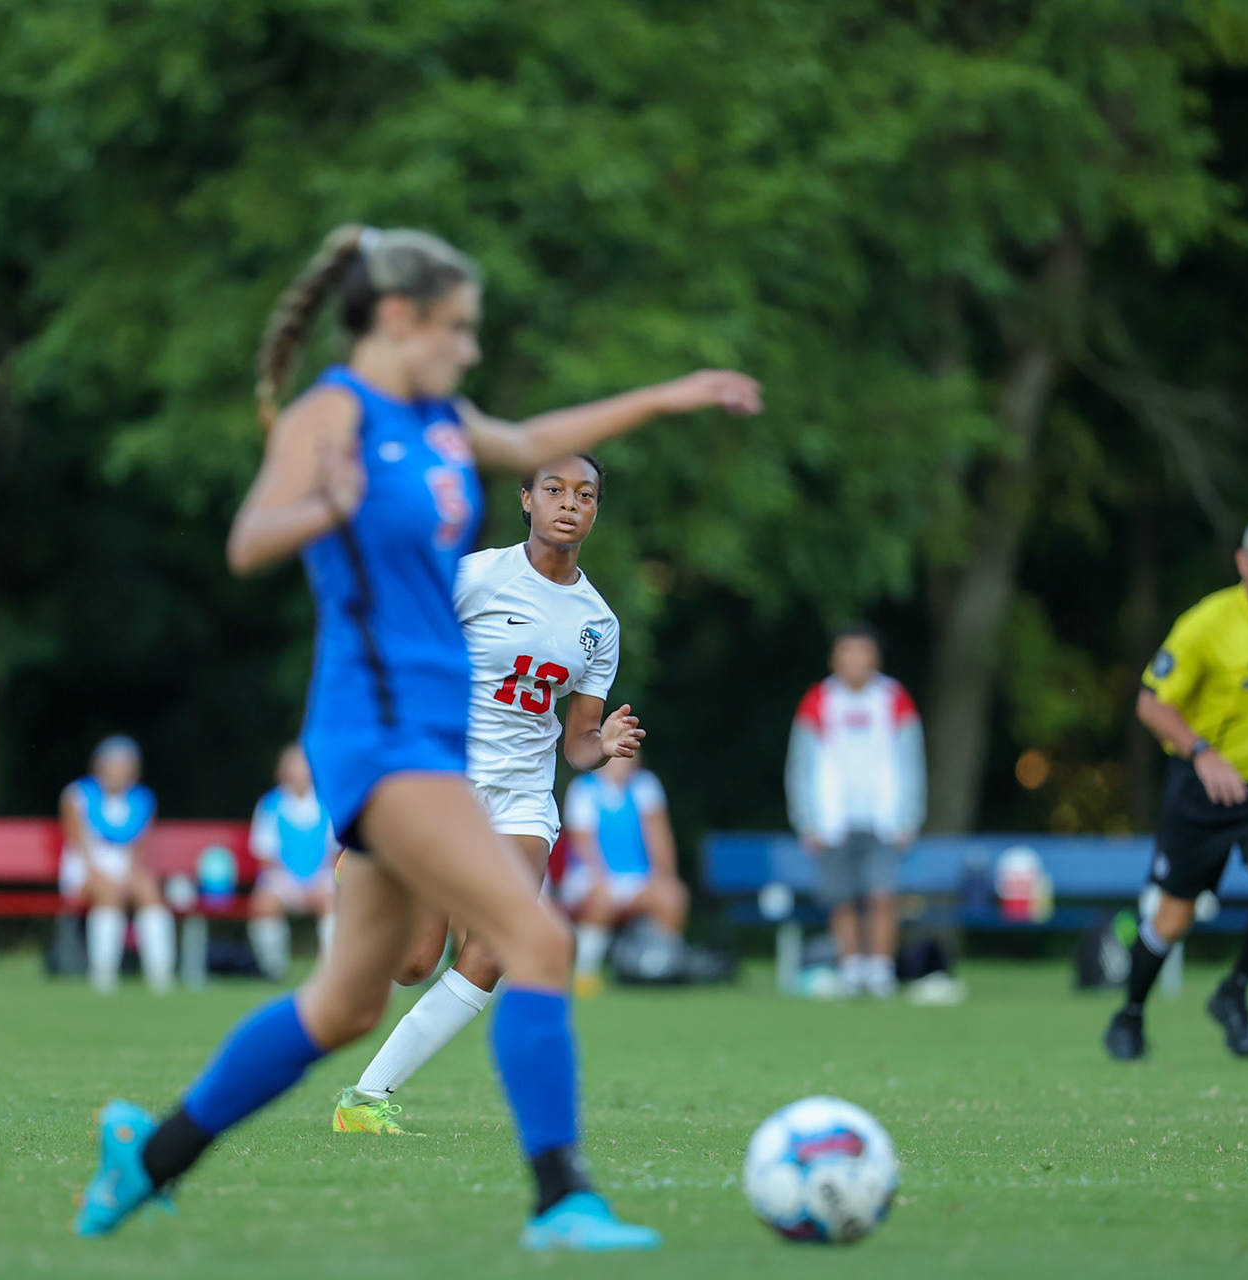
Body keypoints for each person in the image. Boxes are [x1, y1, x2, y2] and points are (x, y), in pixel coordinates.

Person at [71, 224, 759, 1251]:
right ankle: (561, 1198)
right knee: (535, 938)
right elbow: (250, 539)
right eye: (459, 329)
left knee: (352, 999)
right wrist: (323, 501)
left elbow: (532, 441)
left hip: (423, 741)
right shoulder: (330, 415)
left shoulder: (436, 416)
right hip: (379, 732)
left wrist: (667, 396)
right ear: (400, 317)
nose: (470, 350)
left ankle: (150, 1152)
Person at [331, 451, 642, 1135]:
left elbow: (577, 743)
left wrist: (606, 743)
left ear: (595, 510)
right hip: (445, 786)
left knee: (502, 943)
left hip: (523, 798)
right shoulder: (474, 577)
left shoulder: (598, 624)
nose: (570, 503)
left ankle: (365, 1099)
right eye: (554, 490)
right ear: (527, 500)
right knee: (412, 964)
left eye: (585, 494)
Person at [1105, 516, 1248, 1061]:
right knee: (1174, 918)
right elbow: (1150, 703)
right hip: (1202, 787)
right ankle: (1130, 1013)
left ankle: (1232, 993)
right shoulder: (1206, 623)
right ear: (1243, 562)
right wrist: (1202, 754)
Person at [784, 624, 926, 998]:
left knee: (883, 894)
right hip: (832, 819)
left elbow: (911, 760)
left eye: (863, 652)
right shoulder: (818, 700)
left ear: (875, 658)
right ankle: (851, 968)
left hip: (885, 818)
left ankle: (879, 970)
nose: (855, 661)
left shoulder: (895, 699)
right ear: (835, 658)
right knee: (841, 898)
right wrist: (807, 819)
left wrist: (909, 815)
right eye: (847, 652)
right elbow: (800, 763)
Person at [558, 749, 689, 994]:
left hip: (637, 877)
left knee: (671, 898)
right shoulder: (583, 788)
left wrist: (666, 878)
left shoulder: (646, 786)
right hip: (588, 875)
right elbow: (584, 844)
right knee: (601, 900)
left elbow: (659, 838)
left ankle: (661, 967)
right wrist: (601, 881)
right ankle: (585, 973)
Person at [59, 736, 173, 994]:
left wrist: (132, 876)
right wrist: (102, 874)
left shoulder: (143, 800)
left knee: (149, 890)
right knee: (108, 892)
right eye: (113, 764)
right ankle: (104, 973)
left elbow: (137, 849)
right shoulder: (77, 795)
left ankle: (159, 972)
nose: (119, 771)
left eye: (125, 765)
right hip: (85, 868)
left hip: (123, 868)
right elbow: (79, 844)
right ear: (99, 766)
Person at [246, 742, 339, 980]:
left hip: (321, 876)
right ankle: (273, 969)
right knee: (264, 905)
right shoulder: (270, 804)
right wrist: (294, 885)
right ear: (282, 771)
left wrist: (313, 883)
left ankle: (331, 969)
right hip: (282, 878)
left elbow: (333, 854)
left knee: (333, 901)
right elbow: (266, 856)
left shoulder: (326, 802)